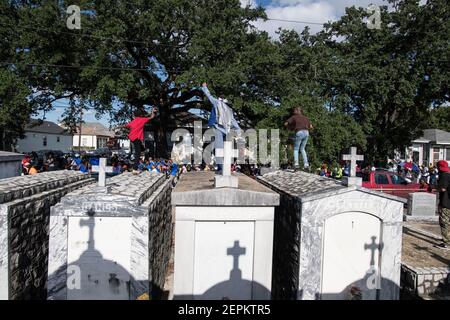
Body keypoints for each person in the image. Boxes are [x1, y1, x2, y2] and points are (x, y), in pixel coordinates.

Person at [201, 83, 241, 173]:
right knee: (220, 148)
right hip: (220, 129)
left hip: (223, 130)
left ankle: (223, 168)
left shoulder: (224, 106)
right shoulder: (222, 105)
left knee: (223, 149)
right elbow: (234, 121)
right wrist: (238, 131)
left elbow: (209, 95)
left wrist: (204, 87)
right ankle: (221, 168)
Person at [284, 107, 313, 171]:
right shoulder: (306, 118)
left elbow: (285, 124)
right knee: (302, 149)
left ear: (297, 111)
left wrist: (290, 128)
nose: (293, 111)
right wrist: (306, 129)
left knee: (296, 149)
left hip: (299, 132)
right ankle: (306, 165)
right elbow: (311, 127)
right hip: (306, 133)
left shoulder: (294, 117)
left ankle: (296, 164)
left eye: (294, 110)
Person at [435, 160, 450, 250]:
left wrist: (433, 188)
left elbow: (442, 189)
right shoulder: (449, 174)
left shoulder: (444, 175)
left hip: (446, 203)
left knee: (444, 222)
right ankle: (447, 239)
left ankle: (447, 243)